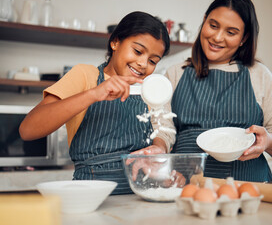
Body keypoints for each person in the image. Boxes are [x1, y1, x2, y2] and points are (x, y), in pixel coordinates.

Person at [19, 11, 172, 194]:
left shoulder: (149, 89)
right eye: (138, 51)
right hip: (91, 194)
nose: (142, 63)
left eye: (152, 61)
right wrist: (94, 93)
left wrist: (158, 147)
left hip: (141, 193)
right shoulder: (85, 76)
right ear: (115, 42)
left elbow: (162, 130)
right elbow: (28, 130)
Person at [165, 0, 272, 182]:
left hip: (251, 190)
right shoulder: (175, 73)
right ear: (204, 21)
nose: (217, 37)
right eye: (213, 25)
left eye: (231, 32)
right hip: (186, 191)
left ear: (244, 38)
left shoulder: (259, 75)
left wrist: (269, 141)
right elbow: (164, 133)